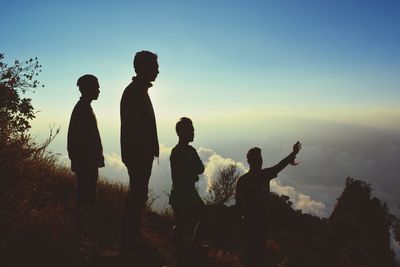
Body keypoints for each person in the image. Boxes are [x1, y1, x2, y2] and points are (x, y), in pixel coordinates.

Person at [235, 142, 302, 267]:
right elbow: (239, 206)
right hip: (252, 224)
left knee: (256, 254)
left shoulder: (251, 178)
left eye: (260, 159)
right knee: (254, 255)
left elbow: (279, 166)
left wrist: (293, 154)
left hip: (259, 223)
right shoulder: (253, 178)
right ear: (251, 161)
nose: (260, 161)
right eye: (257, 159)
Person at [120, 50, 160, 250]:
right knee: (137, 194)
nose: (158, 71)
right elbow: (132, 126)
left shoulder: (139, 90)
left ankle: (132, 237)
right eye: (155, 66)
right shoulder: (135, 92)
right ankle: (130, 240)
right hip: (138, 155)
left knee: (138, 193)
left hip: (139, 154)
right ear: (143, 67)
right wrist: (143, 152)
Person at [67, 74, 104, 249]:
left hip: (86, 162)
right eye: (96, 87)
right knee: (86, 198)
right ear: (88, 89)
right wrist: (89, 159)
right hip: (86, 163)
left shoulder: (83, 108)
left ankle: (83, 234)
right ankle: (83, 235)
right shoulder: (82, 109)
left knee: (86, 197)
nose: (99, 90)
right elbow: (78, 139)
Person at [169, 117, 205, 266]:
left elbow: (200, 170)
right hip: (181, 196)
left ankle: (189, 250)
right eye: (191, 130)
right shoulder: (177, 152)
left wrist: (192, 174)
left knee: (201, 217)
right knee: (185, 226)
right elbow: (181, 175)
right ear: (182, 132)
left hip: (188, 195)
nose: (193, 133)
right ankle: (183, 256)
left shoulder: (188, 150)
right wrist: (192, 175)